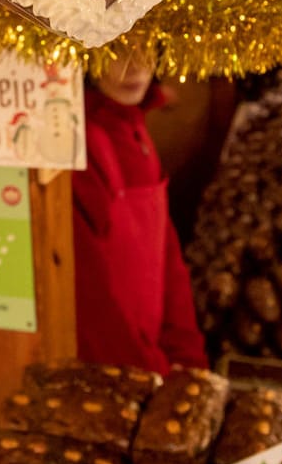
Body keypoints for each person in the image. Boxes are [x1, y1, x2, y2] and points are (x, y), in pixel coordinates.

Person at [72, 50, 208, 373]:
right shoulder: (84, 145)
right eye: (117, 49)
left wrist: (187, 359)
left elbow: (165, 254)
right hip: (120, 373)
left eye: (145, 46)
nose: (134, 64)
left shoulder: (135, 127)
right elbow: (92, 300)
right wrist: (151, 374)